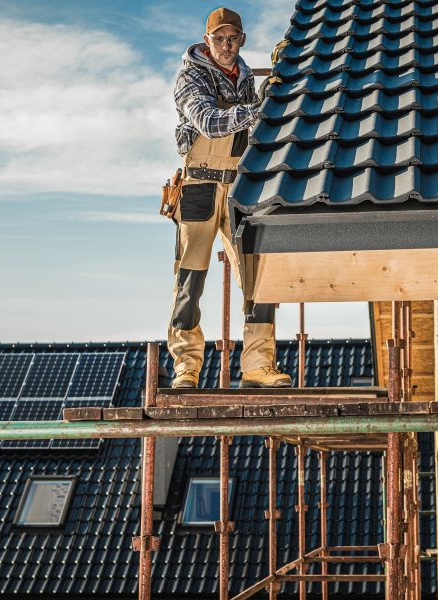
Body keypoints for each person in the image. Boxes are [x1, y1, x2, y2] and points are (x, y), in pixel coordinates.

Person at [168, 7, 291, 389]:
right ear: (207, 41)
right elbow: (208, 121)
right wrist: (259, 109)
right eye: (218, 38)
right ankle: (186, 367)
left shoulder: (244, 80)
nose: (225, 45)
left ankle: (257, 364)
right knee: (192, 279)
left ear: (242, 40)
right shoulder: (190, 77)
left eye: (232, 38)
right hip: (199, 186)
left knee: (258, 273)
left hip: (238, 185)